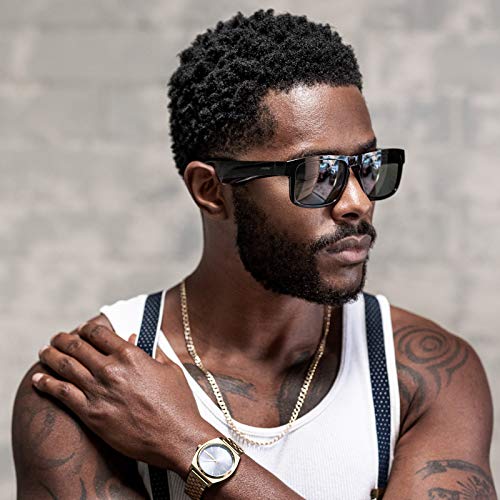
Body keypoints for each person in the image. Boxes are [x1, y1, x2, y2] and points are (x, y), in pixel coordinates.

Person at [12, 9, 496, 500]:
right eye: (318, 174)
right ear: (211, 190)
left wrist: (189, 443)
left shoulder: (425, 374)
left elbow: (189, 444)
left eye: (366, 167)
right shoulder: (90, 389)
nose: (357, 202)